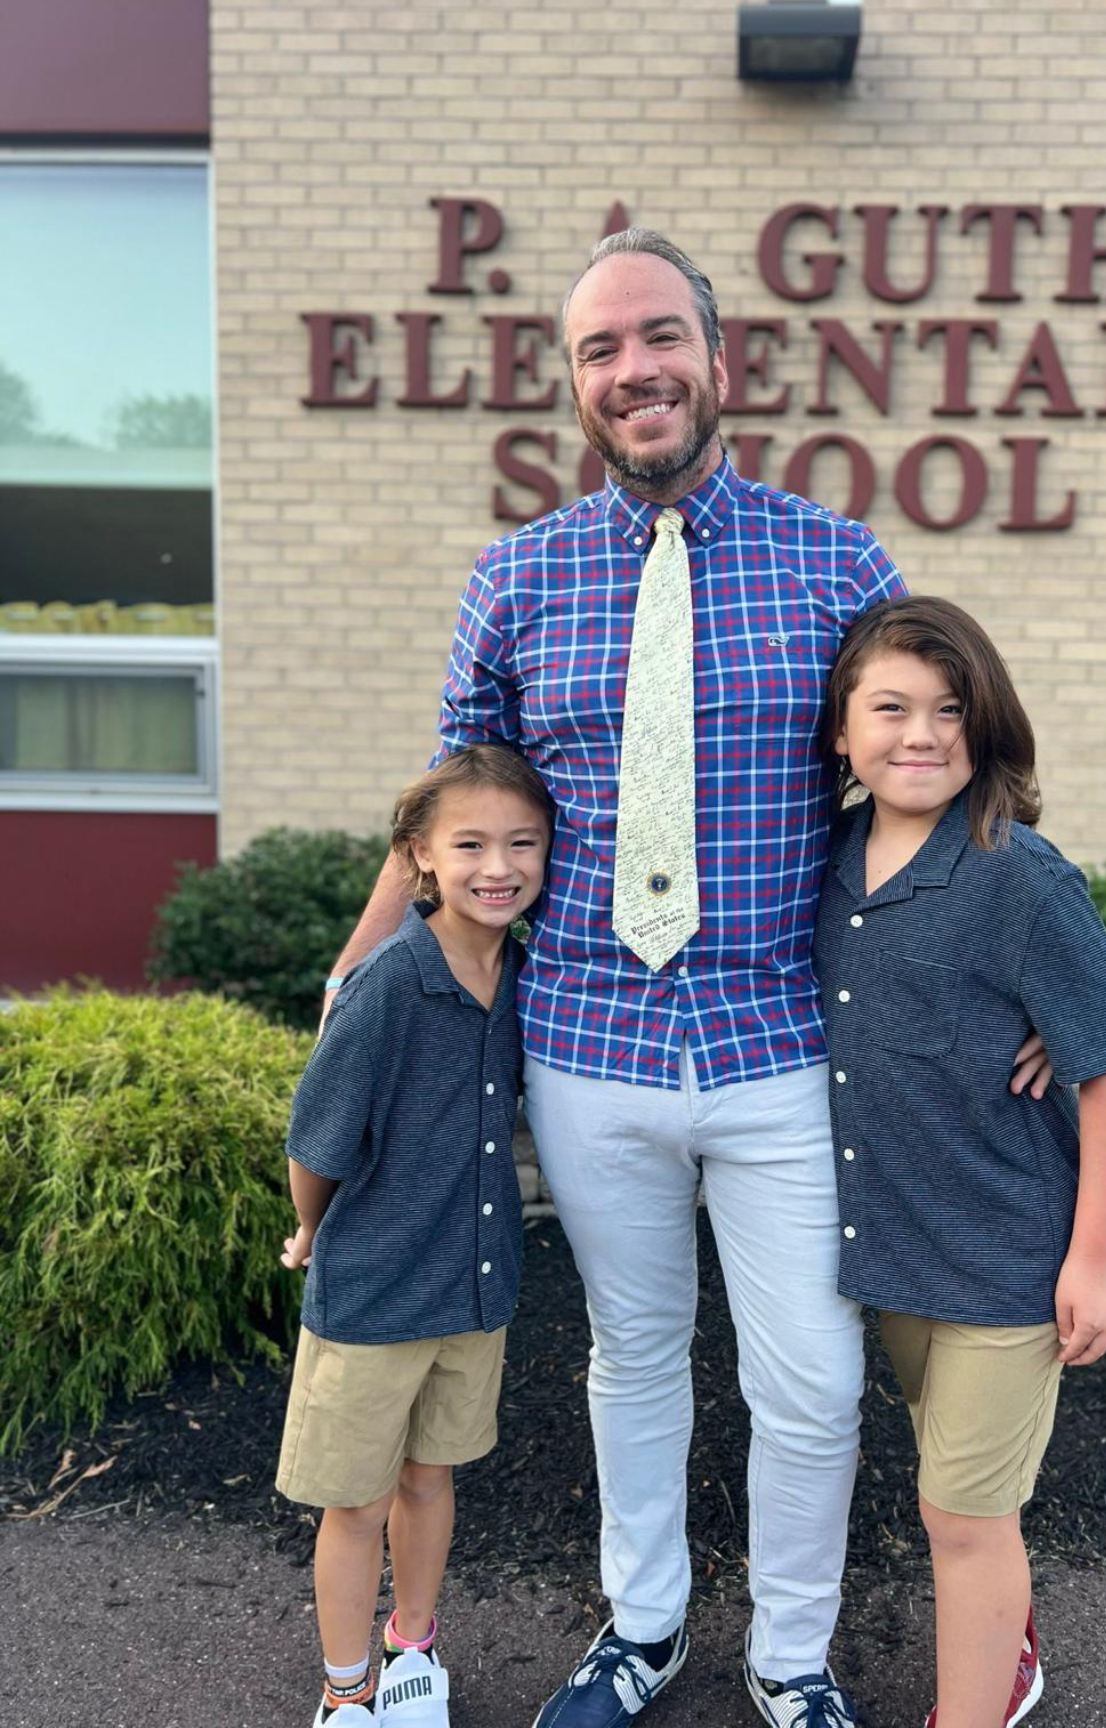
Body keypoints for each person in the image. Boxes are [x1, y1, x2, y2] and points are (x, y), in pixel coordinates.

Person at [325, 228, 1051, 1728]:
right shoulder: (515, 575)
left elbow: (918, 771)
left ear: (717, 361)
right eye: (598, 349)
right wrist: (365, 969)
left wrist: (1021, 982)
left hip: (785, 1045)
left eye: (658, 338)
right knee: (631, 1355)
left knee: (808, 1377)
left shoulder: (835, 558)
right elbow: (457, 797)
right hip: (586, 1046)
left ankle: (791, 1656)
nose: (632, 370)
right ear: (573, 385)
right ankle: (641, 1628)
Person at [814, 596, 1106, 1728]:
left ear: (984, 723)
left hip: (1006, 1257)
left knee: (958, 1518)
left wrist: (1093, 1259)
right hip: (886, 1253)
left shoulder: (1019, 877)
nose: (920, 734)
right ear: (840, 733)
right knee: (966, 1503)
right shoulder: (820, 864)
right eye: (890, 708)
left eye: (948, 709)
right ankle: (1006, 1645)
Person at [276, 744, 552, 1728]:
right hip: (375, 1289)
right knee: (353, 1501)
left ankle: (410, 1648)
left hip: (472, 1288)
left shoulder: (527, 971)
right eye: (470, 843)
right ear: (418, 857)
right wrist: (309, 1231)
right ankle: (345, 1688)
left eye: (522, 843)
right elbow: (317, 1140)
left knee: (429, 1477)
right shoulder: (387, 985)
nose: (498, 865)